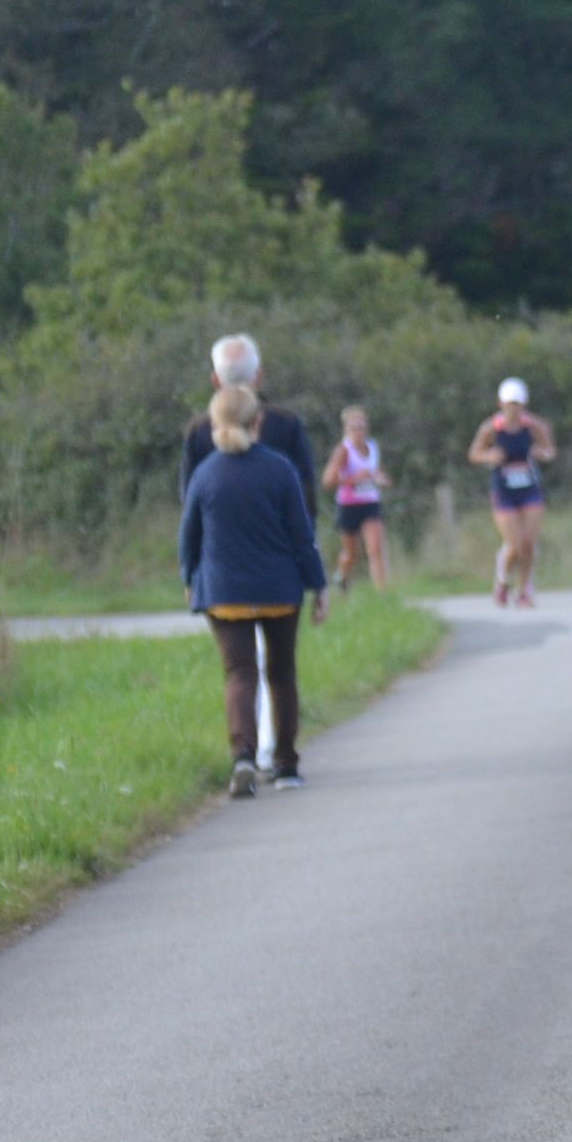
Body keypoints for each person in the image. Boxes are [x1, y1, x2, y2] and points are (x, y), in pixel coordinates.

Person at [179, 382, 328, 797]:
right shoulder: (281, 469)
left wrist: (190, 579)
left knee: (240, 674)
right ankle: (286, 766)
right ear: (258, 422)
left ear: (215, 424)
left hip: (224, 593)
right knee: (281, 674)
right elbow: (302, 536)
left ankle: (243, 757)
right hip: (280, 590)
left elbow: (189, 537)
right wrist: (318, 585)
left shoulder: (205, 474)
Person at [180, 334, 319, 538]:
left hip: (218, 546)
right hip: (277, 544)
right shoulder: (286, 423)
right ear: (259, 376)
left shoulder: (198, 430)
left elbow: (189, 498)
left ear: (215, 380)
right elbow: (305, 491)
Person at [469, 379, 554, 607]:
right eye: (509, 404)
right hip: (504, 490)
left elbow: (549, 450)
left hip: (529, 488)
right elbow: (474, 453)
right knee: (514, 545)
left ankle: (524, 590)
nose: (513, 409)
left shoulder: (535, 426)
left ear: (523, 404)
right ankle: (503, 580)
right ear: (501, 404)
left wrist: (541, 453)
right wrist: (489, 456)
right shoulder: (490, 428)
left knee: (529, 544)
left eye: (517, 404)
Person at [316, 405, 393, 591]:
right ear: (346, 429)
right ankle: (341, 578)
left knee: (375, 549)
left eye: (361, 427)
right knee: (351, 554)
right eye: (354, 428)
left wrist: (381, 479)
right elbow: (327, 480)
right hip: (349, 505)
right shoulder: (343, 450)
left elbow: (376, 472)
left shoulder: (372, 447)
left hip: (371, 502)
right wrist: (354, 479)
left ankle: (382, 593)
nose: (359, 432)